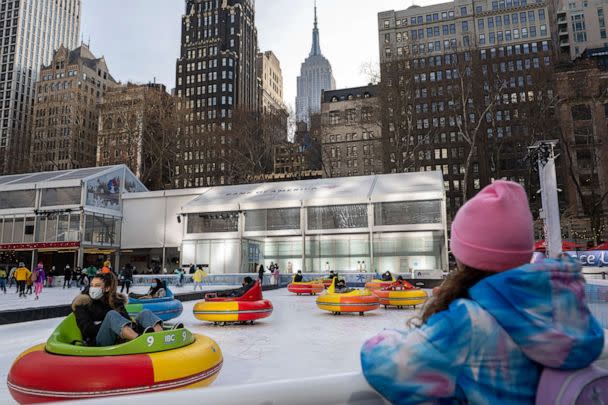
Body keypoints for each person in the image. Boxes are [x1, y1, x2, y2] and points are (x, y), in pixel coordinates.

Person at [360, 181, 604, 405]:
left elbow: (387, 365)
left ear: (465, 257)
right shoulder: (568, 309)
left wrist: (383, 337)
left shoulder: (468, 322)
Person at [72, 273, 170, 347]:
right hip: (99, 342)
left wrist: (119, 321)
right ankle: (139, 341)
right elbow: (88, 331)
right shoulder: (83, 304)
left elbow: (127, 320)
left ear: (107, 288)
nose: (93, 288)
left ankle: (161, 337)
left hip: (121, 337)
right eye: (92, 285)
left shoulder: (115, 302)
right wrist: (109, 323)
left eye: (97, 285)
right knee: (111, 315)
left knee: (145, 313)